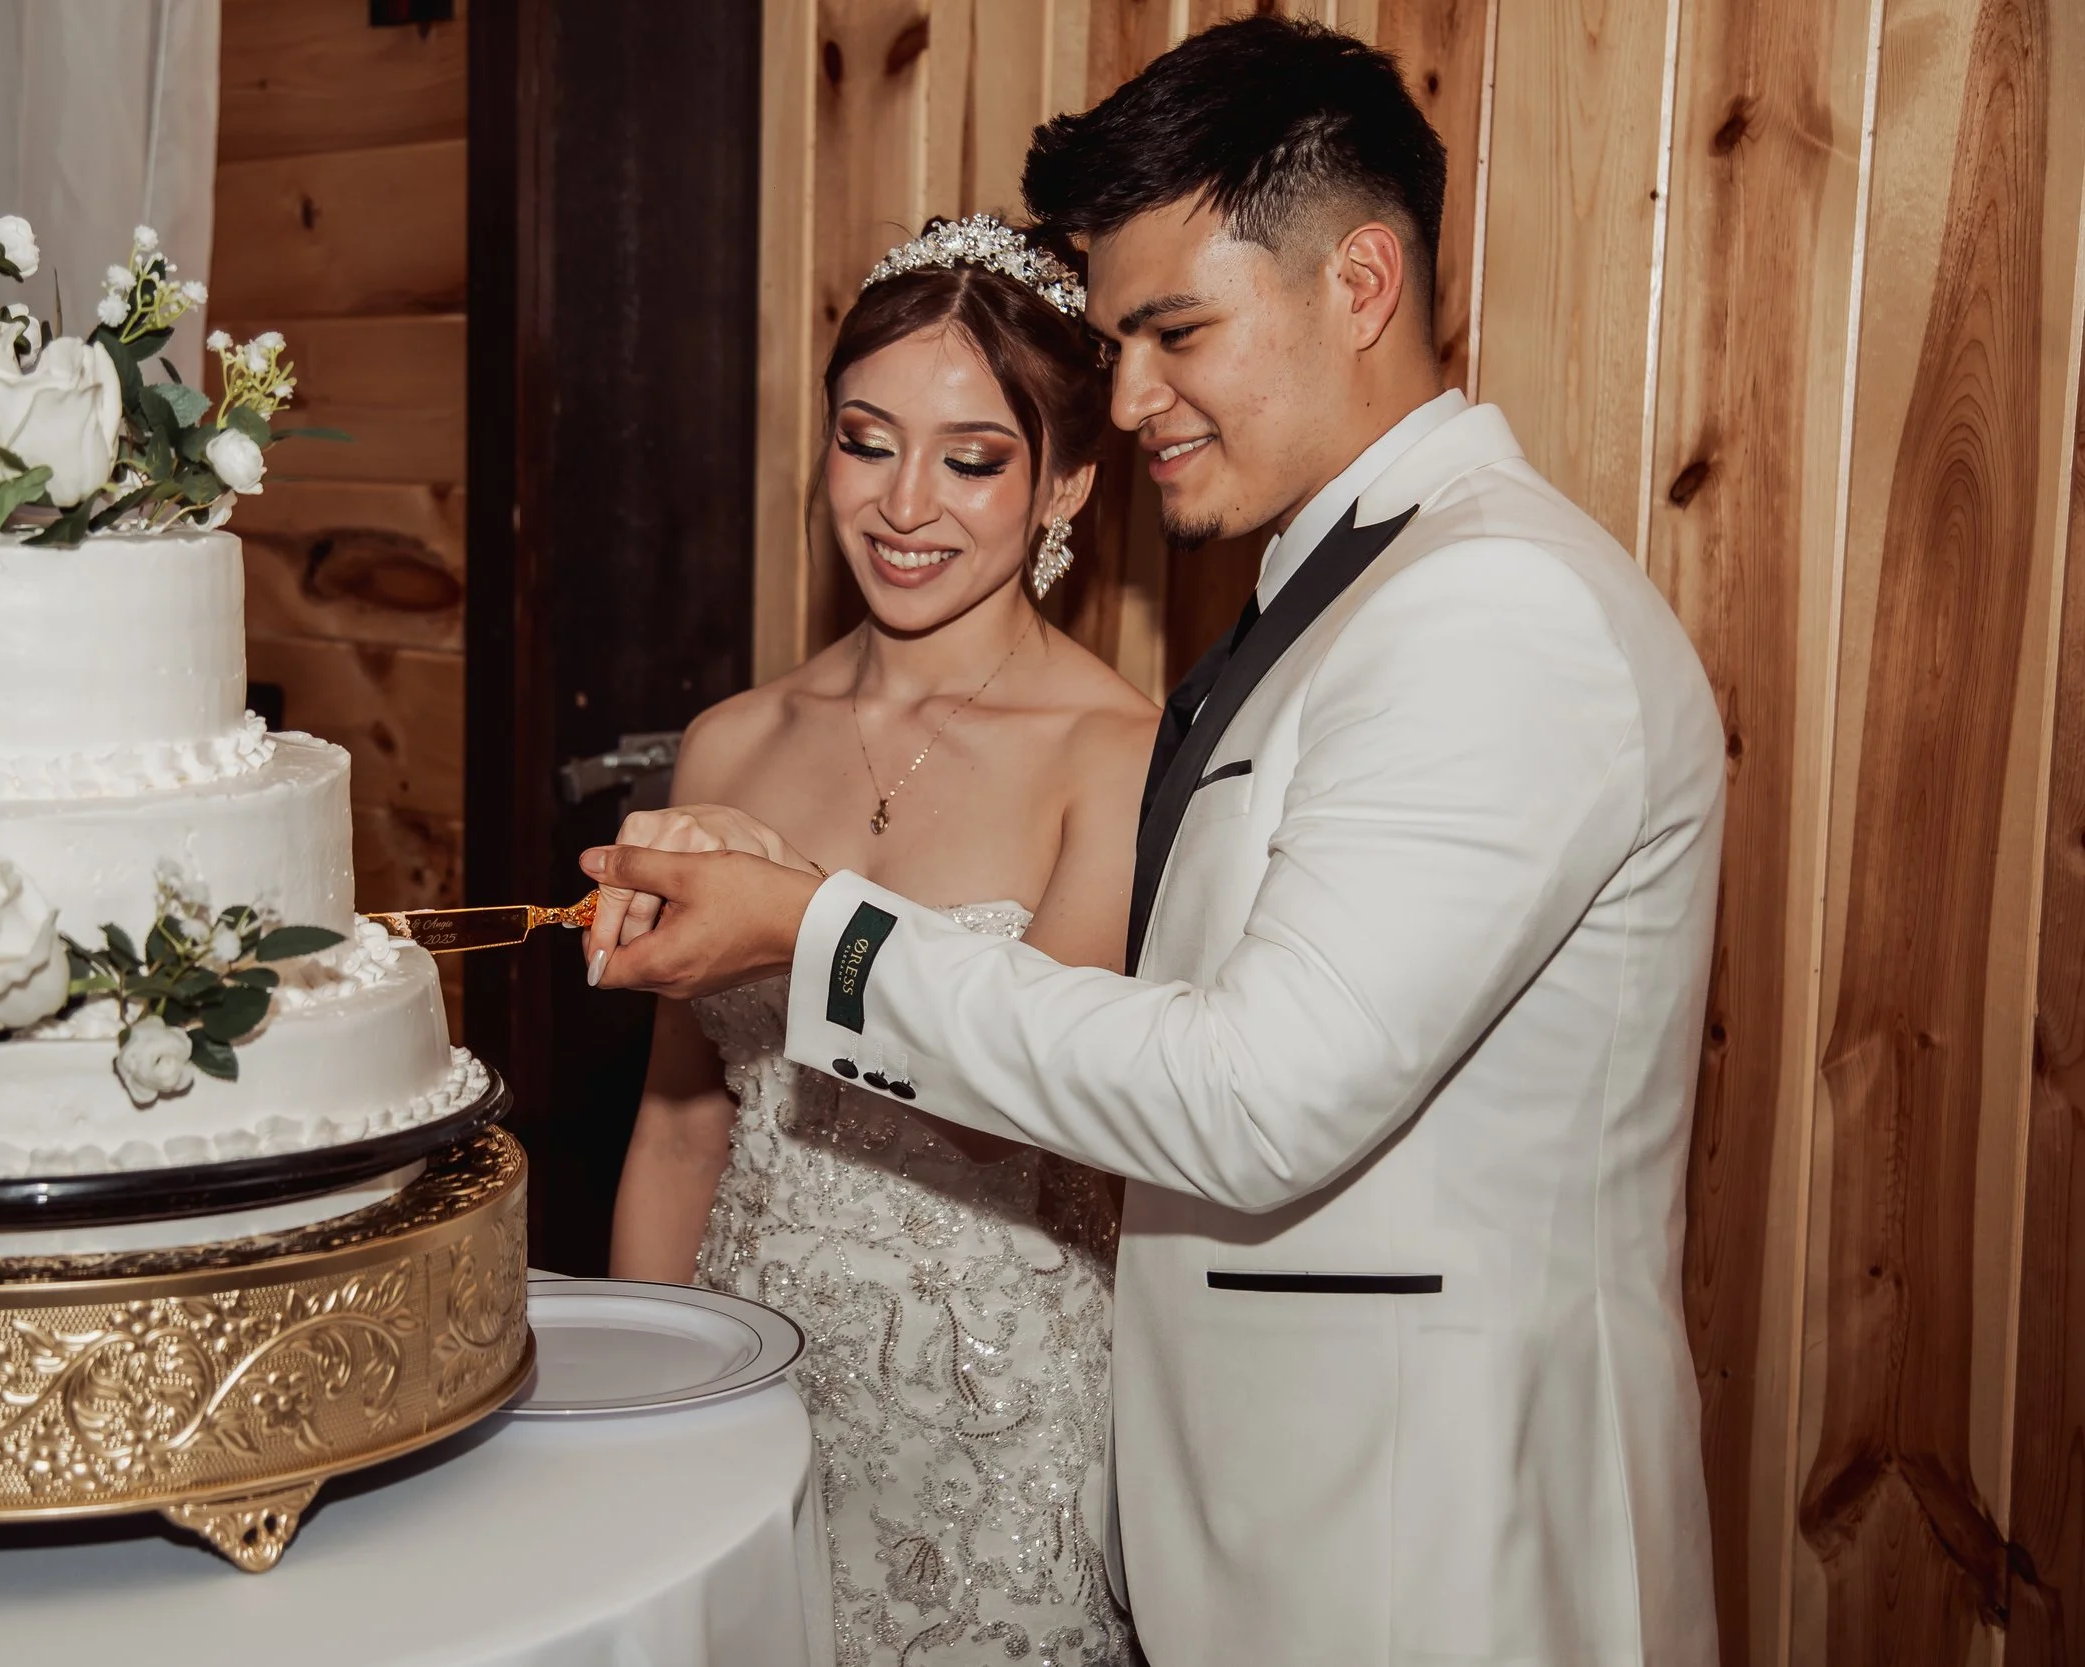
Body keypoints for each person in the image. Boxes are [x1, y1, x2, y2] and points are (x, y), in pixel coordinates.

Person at [583, 18, 1726, 1667]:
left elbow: (1258, 1094)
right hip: (1255, 1528)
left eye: (1174, 330)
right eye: (1117, 341)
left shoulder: (1499, 609)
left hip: (1426, 1548)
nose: (1124, 397)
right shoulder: (1331, 597)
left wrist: (810, 925)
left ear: (1360, 283)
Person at [607, 214, 1157, 1665]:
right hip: (747, 1393)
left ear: (1069, 485)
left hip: (997, 1421)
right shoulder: (731, 740)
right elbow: (677, 1134)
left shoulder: (1116, 756)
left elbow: (1035, 1118)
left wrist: (798, 919)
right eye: (867, 440)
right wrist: (643, 1423)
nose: (907, 503)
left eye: (974, 458)